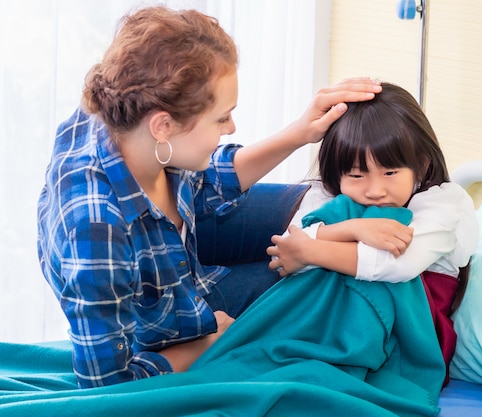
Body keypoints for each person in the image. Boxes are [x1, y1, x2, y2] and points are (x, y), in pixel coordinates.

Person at [36, 5, 381, 389]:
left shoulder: (125, 107)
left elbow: (210, 177)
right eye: (222, 118)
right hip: (170, 314)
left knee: (325, 210)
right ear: (164, 125)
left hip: (181, 238)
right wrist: (204, 345)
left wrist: (300, 133)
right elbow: (106, 384)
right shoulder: (97, 232)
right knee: (321, 287)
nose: (232, 126)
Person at [267, 82, 479, 384]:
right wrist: (355, 227)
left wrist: (312, 249)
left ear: (421, 164)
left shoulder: (443, 203)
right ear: (336, 172)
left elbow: (397, 265)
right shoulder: (327, 194)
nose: (375, 190)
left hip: (407, 341)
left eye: (390, 173)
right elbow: (288, 249)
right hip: (328, 325)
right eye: (356, 175)